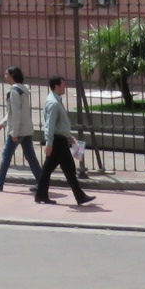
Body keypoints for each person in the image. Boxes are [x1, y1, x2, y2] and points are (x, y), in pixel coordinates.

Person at [33, 75, 93, 206]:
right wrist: (49, 144)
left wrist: (69, 136)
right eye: (63, 85)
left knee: (49, 169)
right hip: (57, 141)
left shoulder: (56, 100)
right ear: (57, 86)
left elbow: (58, 124)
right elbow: (50, 125)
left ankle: (41, 195)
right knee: (69, 169)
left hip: (59, 139)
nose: (65, 87)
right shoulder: (53, 103)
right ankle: (80, 196)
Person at [0, 66, 42, 191]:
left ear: (12, 75)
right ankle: (41, 182)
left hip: (18, 130)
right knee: (30, 156)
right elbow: (14, 112)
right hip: (26, 129)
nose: (5, 76)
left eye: (6, 74)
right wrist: (2, 123)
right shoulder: (23, 90)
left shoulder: (14, 91)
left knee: (6, 156)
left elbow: (15, 113)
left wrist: (14, 133)